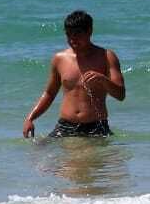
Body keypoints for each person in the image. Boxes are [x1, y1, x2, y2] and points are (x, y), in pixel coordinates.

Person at [22, 10, 126, 138]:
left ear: (89, 31)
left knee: (93, 158)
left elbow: (121, 94)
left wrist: (103, 80)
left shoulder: (106, 57)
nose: (72, 39)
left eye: (77, 34)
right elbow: (49, 93)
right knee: (39, 153)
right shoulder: (59, 59)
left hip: (96, 127)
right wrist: (30, 118)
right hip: (65, 126)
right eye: (69, 34)